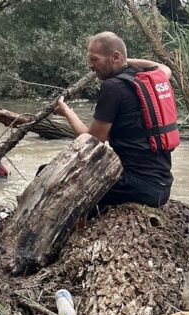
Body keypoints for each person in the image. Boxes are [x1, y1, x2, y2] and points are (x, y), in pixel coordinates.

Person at [53, 31, 179, 208]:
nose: (89, 65)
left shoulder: (113, 86)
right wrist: (125, 61)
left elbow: (91, 141)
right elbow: (165, 68)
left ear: (115, 57)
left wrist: (66, 111)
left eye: (94, 59)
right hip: (161, 186)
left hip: (136, 187)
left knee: (52, 178)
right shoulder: (148, 80)